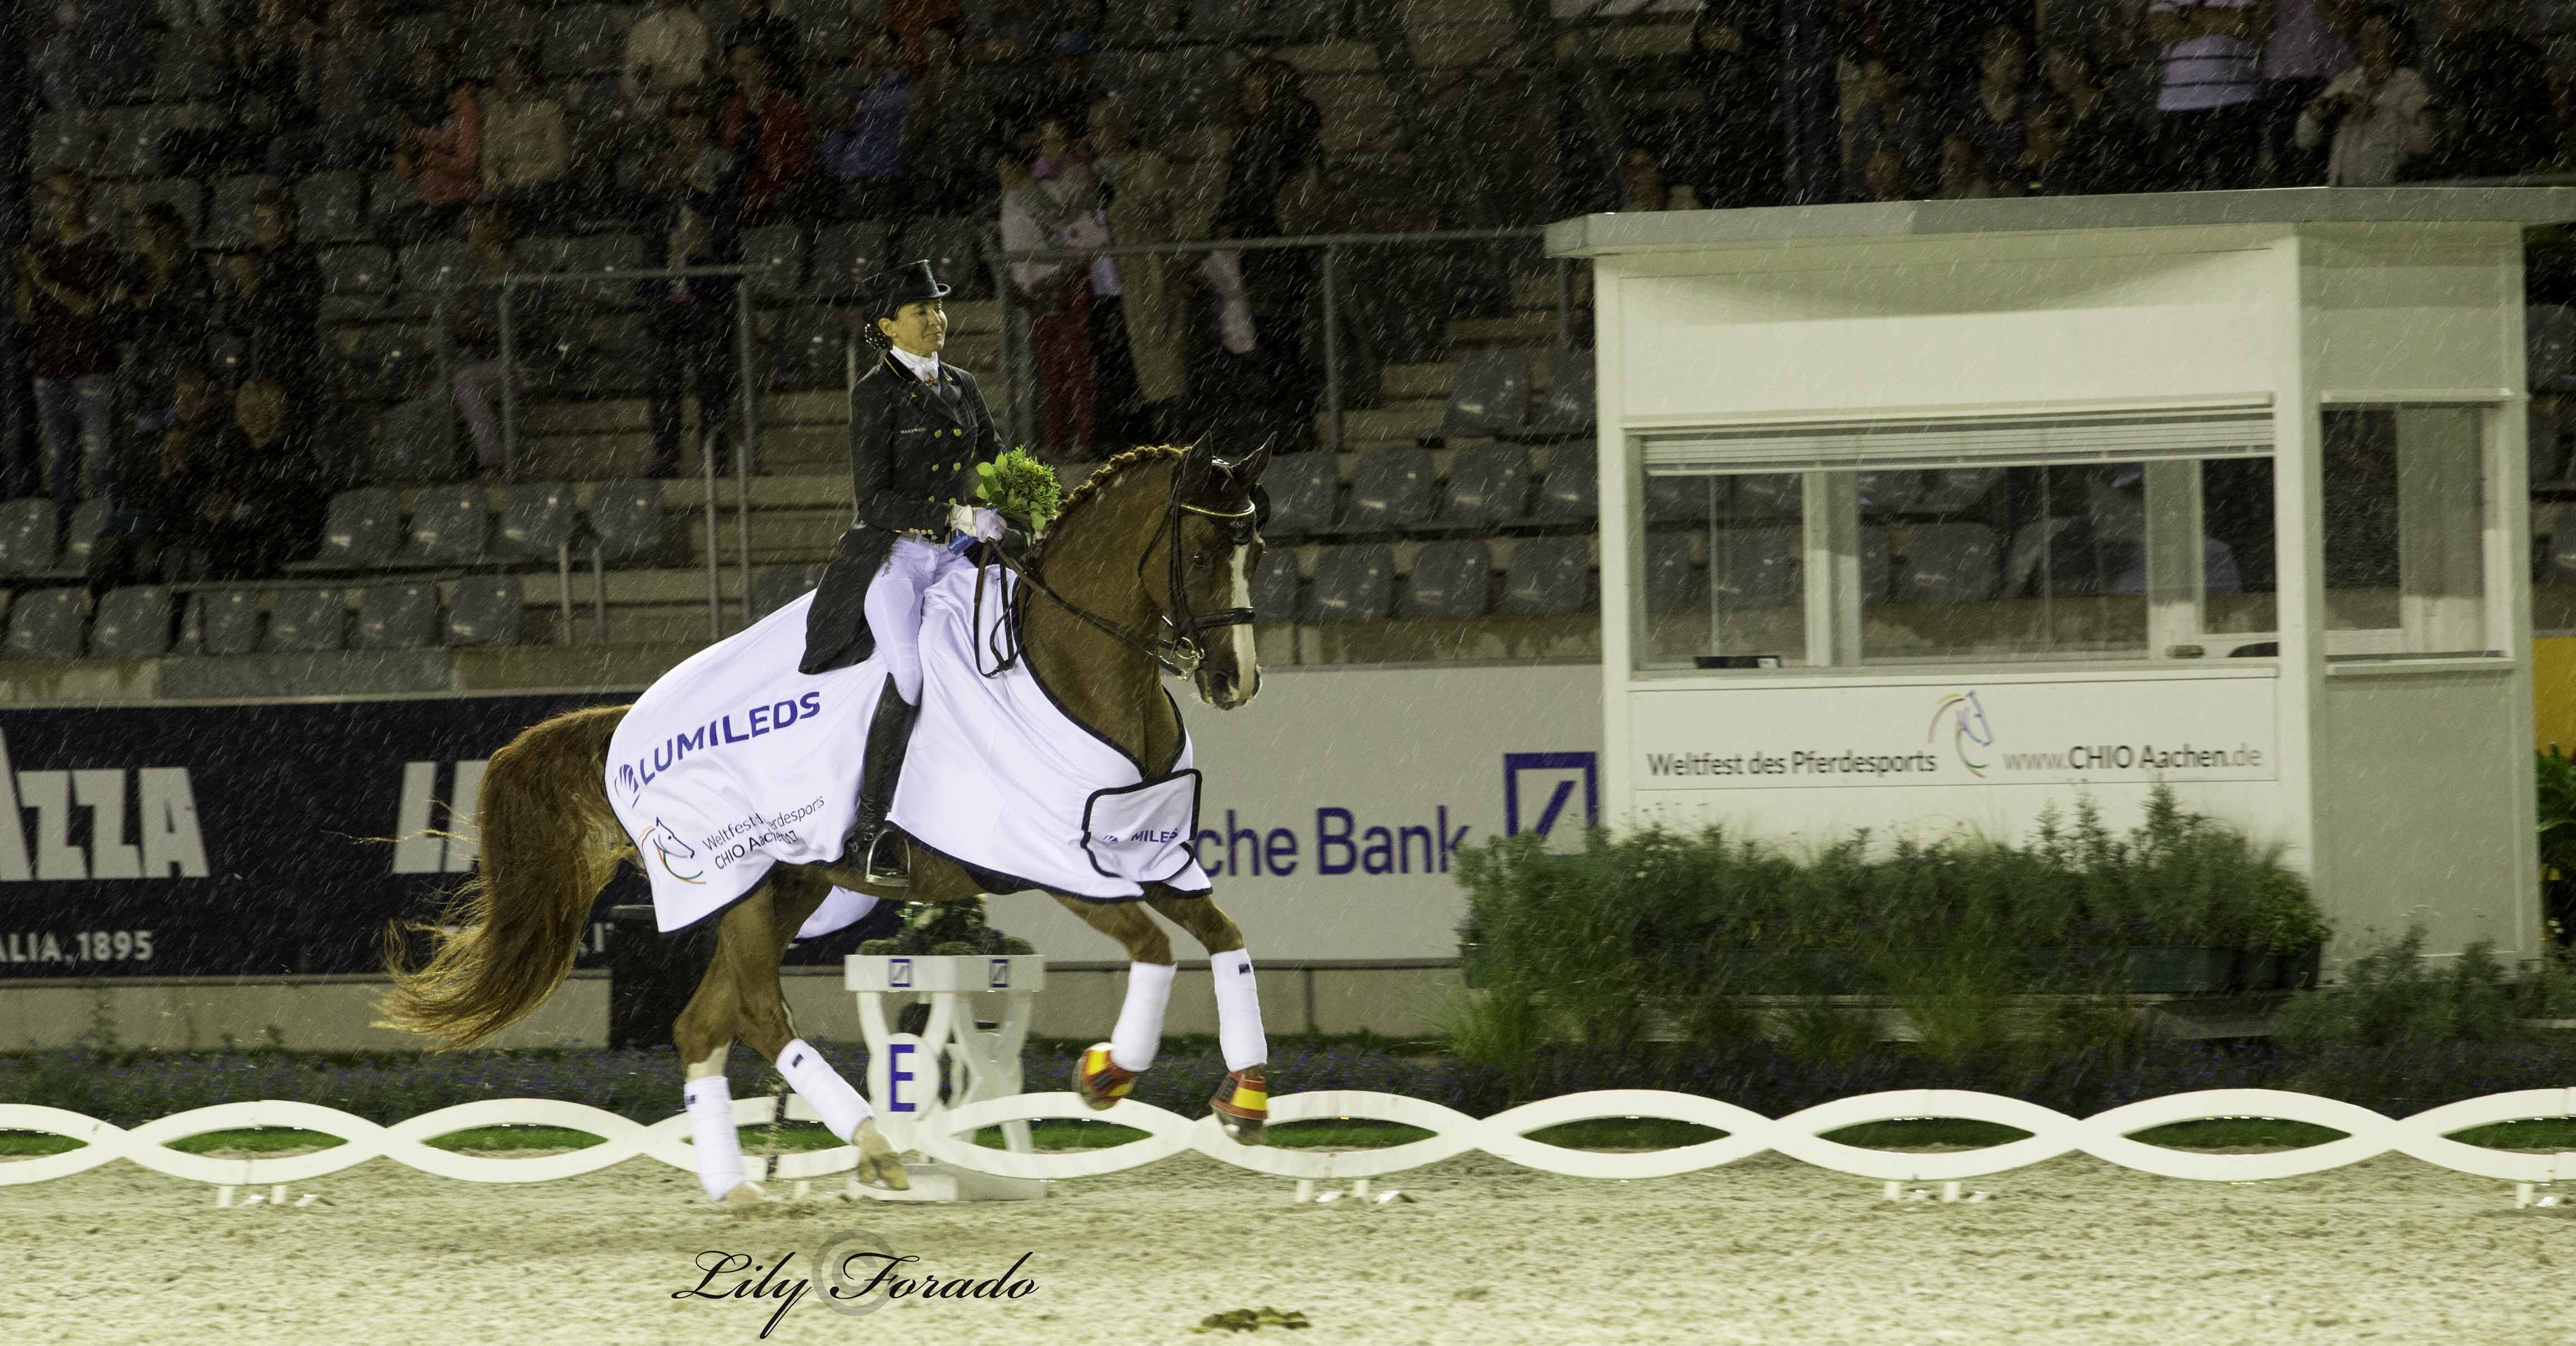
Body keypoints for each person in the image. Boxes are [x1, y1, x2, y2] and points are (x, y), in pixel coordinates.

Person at [798, 260, 1011, 887]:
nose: (936, 319)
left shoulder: (962, 383)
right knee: (912, 673)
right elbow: (874, 500)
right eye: (921, 311)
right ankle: (869, 828)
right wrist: (955, 513)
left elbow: (994, 461)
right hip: (897, 556)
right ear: (888, 325)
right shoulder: (875, 390)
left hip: (957, 554)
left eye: (939, 309)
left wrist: (1030, 499)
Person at [640, 90, 745, 478]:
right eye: (678, 114)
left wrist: (683, 187)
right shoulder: (657, 163)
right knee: (663, 377)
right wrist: (659, 192)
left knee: (711, 377)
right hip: (667, 285)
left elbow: (727, 217)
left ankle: (714, 457)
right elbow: (642, 218)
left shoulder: (724, 162)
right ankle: (667, 454)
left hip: (709, 287)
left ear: (705, 120)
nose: (685, 123)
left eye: (693, 114)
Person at [14, 173, 122, 510]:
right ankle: (63, 527)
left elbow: (89, 308)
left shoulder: (99, 243)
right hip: (49, 364)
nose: (61, 204)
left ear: (85, 199)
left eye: (68, 196)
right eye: (55, 197)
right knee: (59, 458)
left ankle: (104, 530)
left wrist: (43, 279)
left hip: (90, 364)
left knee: (99, 454)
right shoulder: (40, 246)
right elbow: (26, 314)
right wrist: (28, 278)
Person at [1000, 121, 1103, 454]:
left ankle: (1084, 438)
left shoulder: (1078, 175)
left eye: (1057, 140)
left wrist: (1026, 187)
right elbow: (1015, 230)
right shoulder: (1029, 177)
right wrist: (1018, 278)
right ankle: (1056, 440)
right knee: (1049, 366)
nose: (1050, 148)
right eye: (1044, 141)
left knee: (1075, 361)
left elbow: (1061, 217)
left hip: (1068, 278)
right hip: (1035, 284)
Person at [1089, 95, 1188, 441]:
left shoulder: (1147, 164)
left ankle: (1167, 432)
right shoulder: (1090, 174)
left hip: (1147, 276)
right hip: (1106, 284)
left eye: (1106, 128)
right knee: (1120, 362)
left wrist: (1120, 198)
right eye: (1095, 129)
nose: (1099, 137)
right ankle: (1127, 434)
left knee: (1159, 356)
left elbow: (1160, 214)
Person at [446, 202, 541, 480]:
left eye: (477, 226)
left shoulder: (524, 273)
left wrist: (487, 324)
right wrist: (463, 325)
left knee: (465, 382)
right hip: (489, 365)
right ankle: (452, 469)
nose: (471, 234)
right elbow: (469, 335)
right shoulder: (477, 278)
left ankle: (493, 462)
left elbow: (531, 329)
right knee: (440, 387)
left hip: (524, 364)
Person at [2296, 7, 2434, 184]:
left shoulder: (2409, 84)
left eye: (2378, 35)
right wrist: (2316, 116)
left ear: (2397, 40)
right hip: (2341, 195)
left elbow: (2426, 143)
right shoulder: (2346, 82)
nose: (2370, 42)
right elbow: (2303, 138)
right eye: (2365, 35)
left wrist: (2377, 116)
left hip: (2385, 195)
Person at [110, 203, 217, 429]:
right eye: (135, 229)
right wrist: (122, 305)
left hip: (184, 383)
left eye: (144, 229)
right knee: (147, 451)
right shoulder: (137, 270)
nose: (136, 235)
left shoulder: (192, 268)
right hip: (145, 383)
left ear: (165, 231)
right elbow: (122, 330)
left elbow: (195, 324)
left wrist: (156, 303)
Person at [2419, 0, 2554, 177]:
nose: (2443, 12)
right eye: (2443, 6)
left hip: (2502, 170)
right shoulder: (2442, 59)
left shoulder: (2510, 54)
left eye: (2453, 4)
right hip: (2474, 170)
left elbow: (2529, 122)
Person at [2146, 0, 2270, 189]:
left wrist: (2184, 15)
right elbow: (2160, 29)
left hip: (2236, 101)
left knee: (2237, 193)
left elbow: (2247, 23)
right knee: (2179, 194)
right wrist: (2223, 20)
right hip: (2179, 104)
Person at [221, 188, 324, 401]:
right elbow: (235, 322)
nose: (259, 226)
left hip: (290, 372)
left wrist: (252, 287)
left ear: (288, 223)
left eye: (266, 219)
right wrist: (245, 289)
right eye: (257, 219)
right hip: (252, 368)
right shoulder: (251, 260)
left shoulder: (303, 262)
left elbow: (296, 317)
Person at [1678, 5, 1784, 209]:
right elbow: (1693, 72)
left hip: (1762, 139)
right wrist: (1704, 46)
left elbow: (1783, 72)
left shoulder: (1769, 13)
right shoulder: (1714, 12)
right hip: (1724, 138)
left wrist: (1741, 45)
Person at [386, 45, 482, 244]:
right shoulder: (408, 110)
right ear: (412, 72)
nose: (427, 72)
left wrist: (430, 153)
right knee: (385, 227)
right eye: (421, 66)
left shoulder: (463, 104)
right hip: (431, 200)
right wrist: (409, 146)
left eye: (433, 65)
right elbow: (404, 172)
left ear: (444, 69)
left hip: (461, 199)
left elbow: (469, 166)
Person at [901, 18, 997, 215]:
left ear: (951, 45)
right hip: (931, 165)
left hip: (964, 161)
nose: (930, 48)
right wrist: (923, 112)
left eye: (937, 41)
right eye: (927, 42)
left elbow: (984, 128)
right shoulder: (920, 88)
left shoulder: (973, 84)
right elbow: (908, 141)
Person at [2259, 0, 2359, 185]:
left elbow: (2346, 26)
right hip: (2282, 78)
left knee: (2331, 162)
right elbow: (2258, 30)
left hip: (2332, 77)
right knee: (2287, 167)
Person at [821, 28, 915, 222]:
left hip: (884, 178)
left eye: (881, 52)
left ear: (897, 54)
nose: (874, 59)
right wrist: (840, 126)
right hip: (848, 179)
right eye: (871, 53)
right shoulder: (857, 94)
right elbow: (832, 155)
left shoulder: (906, 89)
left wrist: (859, 103)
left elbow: (887, 109)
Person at [720, 41, 818, 225]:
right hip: (742, 195)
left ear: (764, 68)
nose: (739, 72)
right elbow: (729, 152)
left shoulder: (786, 105)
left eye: (745, 65)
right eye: (734, 66)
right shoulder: (733, 107)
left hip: (776, 194)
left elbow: (799, 161)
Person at [481, 46, 572, 227]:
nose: (507, 78)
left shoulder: (549, 110)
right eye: (502, 72)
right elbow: (489, 161)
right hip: (506, 193)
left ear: (528, 75)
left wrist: (521, 178)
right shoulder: (494, 112)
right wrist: (494, 181)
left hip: (542, 190)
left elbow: (559, 165)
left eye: (514, 71)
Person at [1845, 57, 1939, 202]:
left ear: (1898, 80)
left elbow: (1925, 170)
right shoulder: (1865, 114)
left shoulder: (1918, 114)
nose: (1869, 87)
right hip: (1874, 203)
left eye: (1876, 79)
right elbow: (1857, 171)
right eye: (1867, 80)